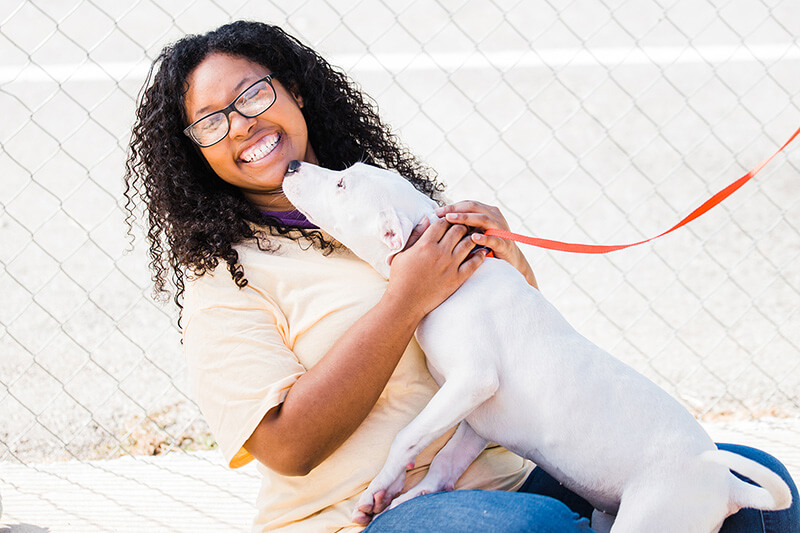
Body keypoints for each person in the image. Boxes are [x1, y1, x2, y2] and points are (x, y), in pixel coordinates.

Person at [124, 20, 799, 533]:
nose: (242, 124)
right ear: (198, 151)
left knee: (755, 491)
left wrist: (503, 256)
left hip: (509, 469)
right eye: (212, 122)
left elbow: (517, 348)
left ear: (293, 90)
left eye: (253, 93)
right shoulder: (226, 279)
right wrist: (405, 297)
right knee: (533, 527)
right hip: (359, 514)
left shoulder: (376, 199)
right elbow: (286, 446)